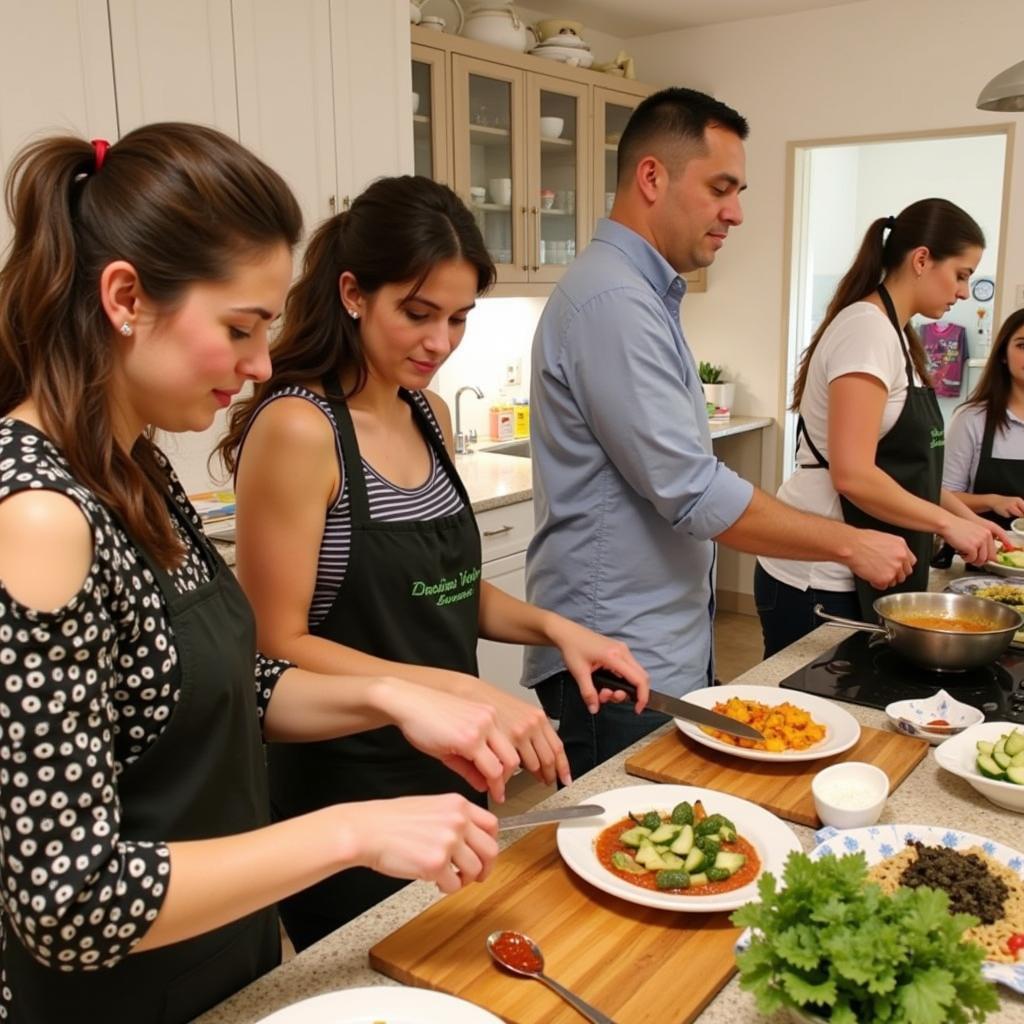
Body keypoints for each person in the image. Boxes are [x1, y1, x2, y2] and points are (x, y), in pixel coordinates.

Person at [0, 125, 523, 1023]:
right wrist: (349, 830)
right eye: (240, 328)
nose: (261, 365)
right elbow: (66, 898)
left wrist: (393, 700)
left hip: (224, 959)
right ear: (125, 296)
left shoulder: (133, 467)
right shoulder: (39, 515)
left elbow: (220, 684)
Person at [219, 174, 649, 951]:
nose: (440, 343)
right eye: (417, 314)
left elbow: (444, 590)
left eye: (457, 318)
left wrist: (559, 629)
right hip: (347, 783)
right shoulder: (299, 428)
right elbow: (275, 643)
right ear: (353, 292)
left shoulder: (427, 412)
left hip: (451, 759)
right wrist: (456, 687)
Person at [524, 86, 916, 780]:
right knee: (620, 855)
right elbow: (693, 492)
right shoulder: (614, 301)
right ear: (652, 177)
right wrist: (849, 541)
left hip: (653, 643)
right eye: (720, 188)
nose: (736, 212)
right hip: (615, 653)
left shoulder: (642, 292)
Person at [756, 198, 1007, 656]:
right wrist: (948, 525)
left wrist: (974, 523)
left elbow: (906, 471)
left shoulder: (897, 335)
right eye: (962, 274)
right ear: (922, 259)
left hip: (862, 567)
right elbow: (852, 474)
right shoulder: (866, 330)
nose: (965, 291)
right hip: (821, 576)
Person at [940, 307, 1024, 534]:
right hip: (985, 559)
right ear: (1003, 355)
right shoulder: (972, 419)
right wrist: (992, 501)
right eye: (1022, 345)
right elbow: (942, 496)